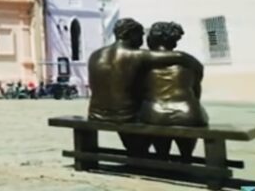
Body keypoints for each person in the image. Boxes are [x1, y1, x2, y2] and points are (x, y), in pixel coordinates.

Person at [87, 18, 203, 156]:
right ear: (130, 34)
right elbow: (176, 56)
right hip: (123, 117)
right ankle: (154, 158)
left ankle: (145, 155)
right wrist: (194, 63)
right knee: (150, 117)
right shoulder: (136, 55)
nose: (142, 40)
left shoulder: (95, 55)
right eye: (140, 34)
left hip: (95, 114)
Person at [139, 22, 208, 161]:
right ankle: (186, 157)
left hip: (155, 113)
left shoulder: (141, 61)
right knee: (194, 115)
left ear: (151, 39)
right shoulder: (191, 62)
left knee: (156, 128)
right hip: (188, 112)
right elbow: (196, 91)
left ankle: (162, 157)